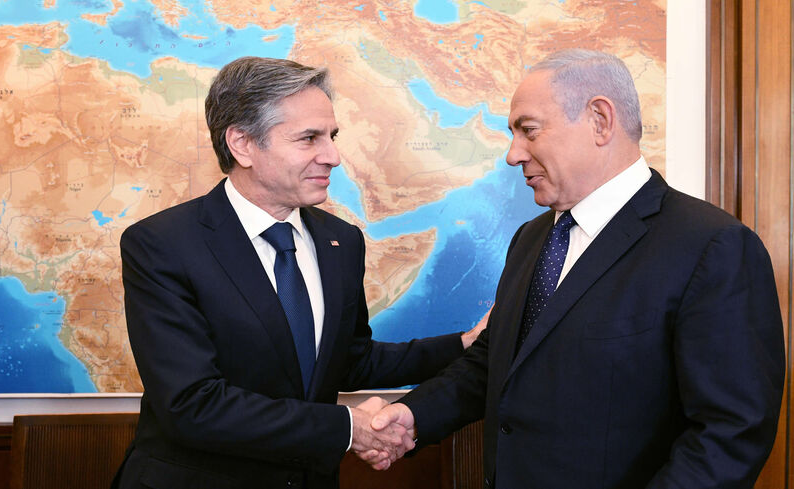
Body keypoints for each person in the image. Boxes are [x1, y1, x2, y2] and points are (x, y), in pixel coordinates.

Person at [368, 49, 785, 489]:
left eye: (529, 131)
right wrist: (415, 415)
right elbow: (497, 362)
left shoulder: (711, 246)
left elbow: (729, 434)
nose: (513, 155)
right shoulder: (531, 238)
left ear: (600, 120)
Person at [112, 56, 484, 489]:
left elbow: (348, 361)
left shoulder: (340, 241)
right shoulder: (162, 245)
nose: (333, 157)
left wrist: (462, 345)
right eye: (309, 138)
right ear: (242, 144)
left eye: (332, 136)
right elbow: (192, 405)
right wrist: (349, 428)